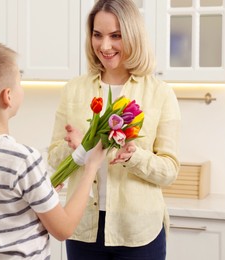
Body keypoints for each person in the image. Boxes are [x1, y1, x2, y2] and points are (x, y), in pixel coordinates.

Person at [0, 41, 107, 260]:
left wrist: (41, 195)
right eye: (19, 83)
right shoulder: (23, 159)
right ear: (8, 96)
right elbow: (64, 229)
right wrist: (91, 167)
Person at [47, 0, 181, 259]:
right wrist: (79, 146)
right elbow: (53, 157)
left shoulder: (160, 94)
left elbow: (170, 171)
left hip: (139, 231)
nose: (104, 46)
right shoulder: (74, 90)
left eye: (115, 36)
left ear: (132, 35)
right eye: (98, 35)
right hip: (82, 227)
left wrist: (134, 157)